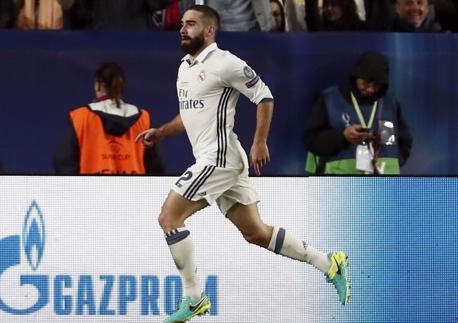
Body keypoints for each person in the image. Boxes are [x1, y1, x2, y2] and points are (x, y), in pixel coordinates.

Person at [136, 5, 350, 322]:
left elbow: (264, 97)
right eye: (182, 24)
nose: (183, 29)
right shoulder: (185, 67)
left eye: (191, 24)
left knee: (169, 217)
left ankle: (194, 299)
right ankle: (328, 262)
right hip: (220, 161)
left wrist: (259, 141)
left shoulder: (226, 63)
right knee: (256, 233)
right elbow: (191, 115)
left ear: (209, 30)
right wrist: (162, 132)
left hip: (219, 159)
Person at [303, 51, 413, 175]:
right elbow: (311, 140)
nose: (371, 89)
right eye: (366, 83)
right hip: (340, 185)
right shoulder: (330, 99)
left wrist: (394, 162)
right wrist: (342, 136)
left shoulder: (390, 103)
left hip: (384, 185)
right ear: (356, 77)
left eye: (377, 85)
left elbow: (405, 141)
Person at [54, 62, 164, 175]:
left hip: (90, 191)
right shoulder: (144, 120)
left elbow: (65, 162)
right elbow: (155, 167)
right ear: (121, 86)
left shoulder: (80, 117)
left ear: (98, 85)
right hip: (133, 191)